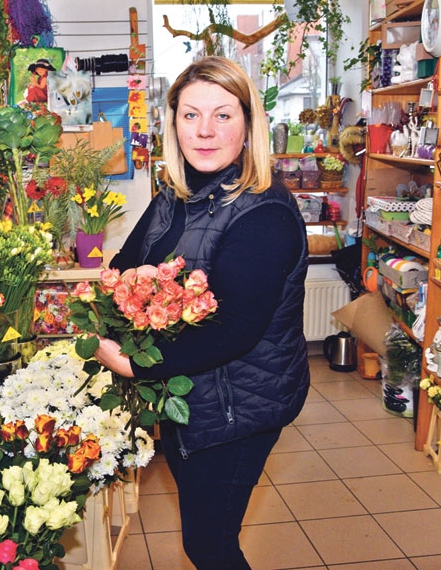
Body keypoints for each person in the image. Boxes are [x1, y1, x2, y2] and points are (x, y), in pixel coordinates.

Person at [94, 56, 310, 570]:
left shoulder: (265, 213)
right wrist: (124, 285)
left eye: (223, 115)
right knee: (203, 535)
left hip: (240, 406)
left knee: (209, 545)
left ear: (249, 124)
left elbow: (235, 330)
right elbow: (127, 261)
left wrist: (134, 363)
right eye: (190, 116)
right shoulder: (176, 191)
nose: (205, 131)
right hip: (191, 391)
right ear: (173, 124)